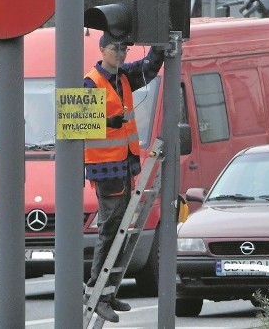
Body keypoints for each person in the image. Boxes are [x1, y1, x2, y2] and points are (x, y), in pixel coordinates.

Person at [83, 32, 164, 323]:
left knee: (120, 229)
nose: (122, 53)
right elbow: (80, 126)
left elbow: (150, 67)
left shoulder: (125, 76)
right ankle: (96, 290)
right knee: (110, 228)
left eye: (125, 48)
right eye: (116, 48)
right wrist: (108, 122)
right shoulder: (91, 82)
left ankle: (107, 289)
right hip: (106, 167)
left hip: (125, 163)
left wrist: (161, 40)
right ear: (102, 49)